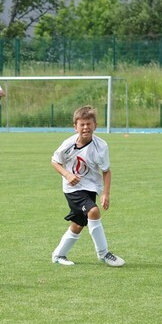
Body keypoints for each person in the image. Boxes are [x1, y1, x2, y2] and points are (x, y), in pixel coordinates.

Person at [49, 105, 124, 268]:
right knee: (93, 211)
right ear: (75, 127)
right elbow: (55, 161)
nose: (85, 127)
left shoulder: (101, 146)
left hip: (90, 188)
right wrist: (67, 175)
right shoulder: (68, 144)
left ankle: (58, 254)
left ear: (95, 126)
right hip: (72, 189)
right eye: (82, 124)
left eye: (89, 124)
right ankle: (103, 253)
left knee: (78, 224)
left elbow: (106, 171)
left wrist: (106, 193)